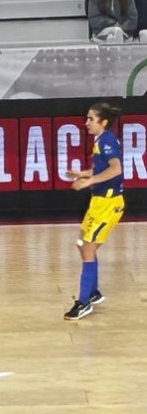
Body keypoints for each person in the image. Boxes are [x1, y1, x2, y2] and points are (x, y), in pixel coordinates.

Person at [64, 102, 126, 320]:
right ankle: (94, 292)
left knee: (88, 248)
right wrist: (82, 174)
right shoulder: (101, 140)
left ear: (103, 122)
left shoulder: (107, 140)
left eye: (91, 119)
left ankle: (83, 303)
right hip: (98, 203)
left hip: (109, 204)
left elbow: (116, 168)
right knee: (83, 245)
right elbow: (102, 168)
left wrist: (89, 180)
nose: (86, 122)